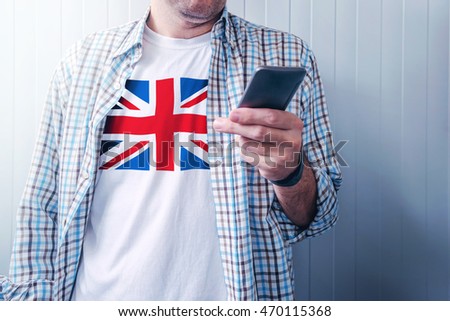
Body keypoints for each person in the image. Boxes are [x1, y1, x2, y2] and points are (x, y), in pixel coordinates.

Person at [0, 0, 342, 301]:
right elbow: (42, 207)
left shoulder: (286, 54)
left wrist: (290, 175)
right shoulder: (82, 64)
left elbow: (320, 216)